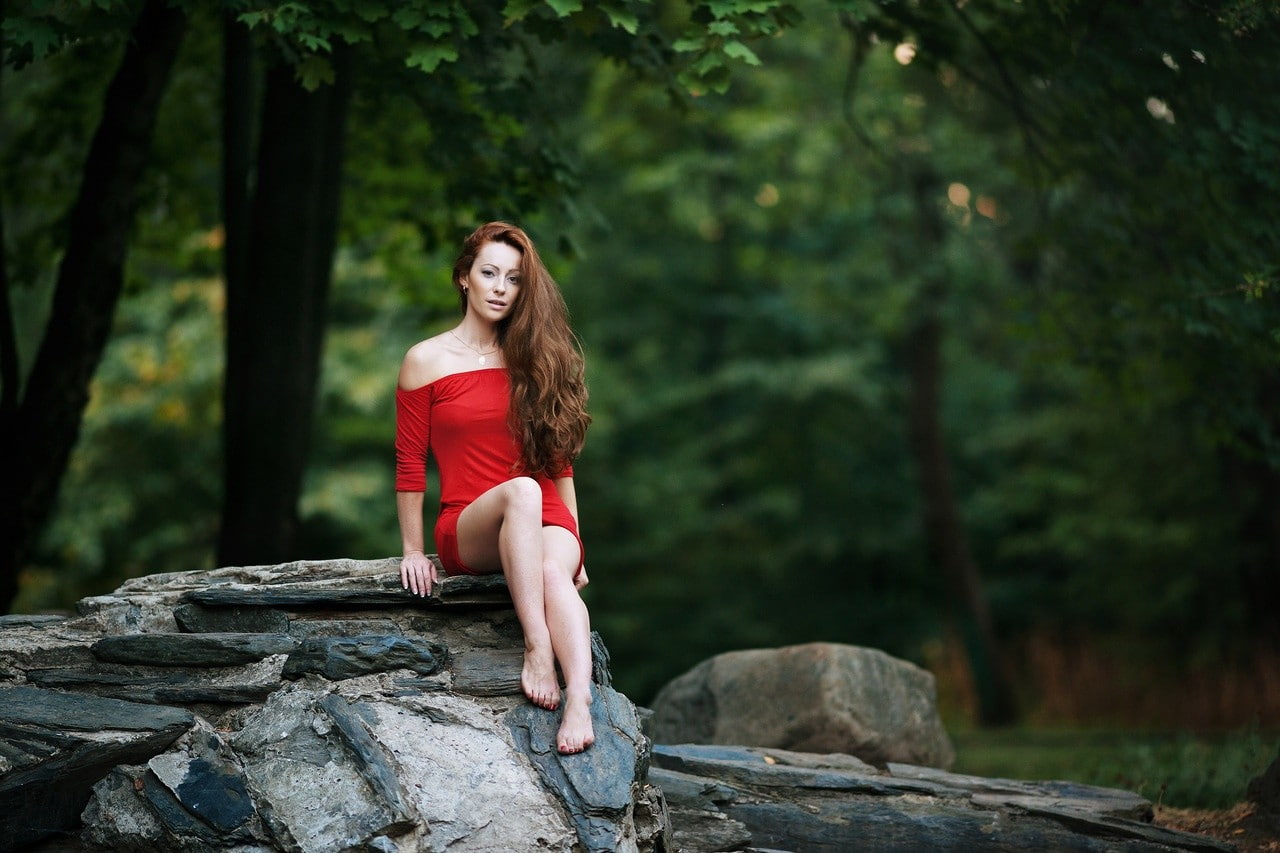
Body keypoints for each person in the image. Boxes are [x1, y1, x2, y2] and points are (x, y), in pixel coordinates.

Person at [394, 221, 595, 754]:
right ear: (465, 278)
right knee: (523, 492)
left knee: (553, 563)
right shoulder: (425, 360)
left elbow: (560, 462)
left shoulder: (536, 359)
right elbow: (410, 462)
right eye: (489, 273)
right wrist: (413, 550)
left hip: (546, 513)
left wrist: (579, 548)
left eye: (514, 278)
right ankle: (537, 648)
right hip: (471, 522)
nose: (501, 287)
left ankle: (580, 698)